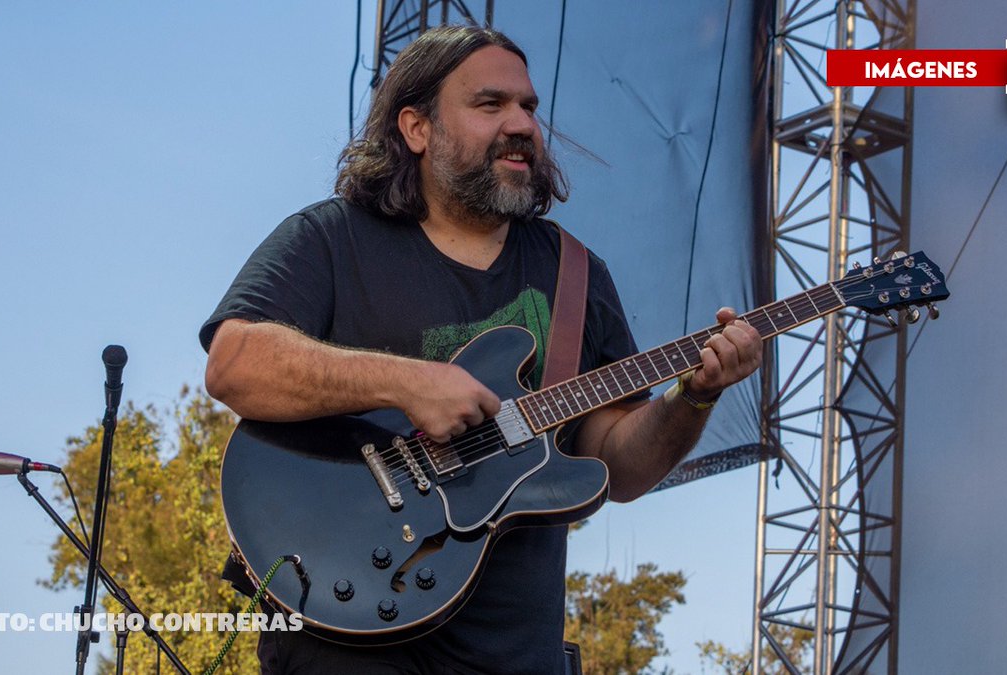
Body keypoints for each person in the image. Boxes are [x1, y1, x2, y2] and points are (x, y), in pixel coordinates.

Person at [201, 24, 761, 675]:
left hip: (515, 652)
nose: (521, 123)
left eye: (529, 107)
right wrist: (406, 382)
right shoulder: (331, 239)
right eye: (490, 104)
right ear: (417, 127)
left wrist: (693, 397)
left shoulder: (575, 274)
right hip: (342, 636)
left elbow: (618, 466)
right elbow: (236, 362)